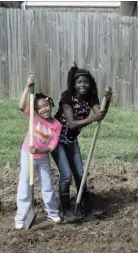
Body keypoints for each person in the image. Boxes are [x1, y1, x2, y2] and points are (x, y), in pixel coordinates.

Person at [51, 64, 112, 222]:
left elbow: (100, 114)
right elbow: (71, 123)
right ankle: (66, 210)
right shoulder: (67, 97)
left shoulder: (91, 97)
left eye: (86, 82)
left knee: (80, 174)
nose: (83, 85)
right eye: (79, 82)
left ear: (90, 84)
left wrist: (108, 100)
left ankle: (85, 209)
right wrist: (92, 119)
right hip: (57, 140)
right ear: (74, 84)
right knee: (66, 175)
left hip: (71, 139)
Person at [15, 75, 62, 229]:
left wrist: (39, 149)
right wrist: (28, 87)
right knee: (25, 186)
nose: (43, 109)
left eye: (46, 106)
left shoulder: (56, 125)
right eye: (40, 107)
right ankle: (21, 217)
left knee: (47, 185)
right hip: (27, 155)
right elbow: (21, 106)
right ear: (36, 109)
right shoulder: (33, 117)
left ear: (50, 104)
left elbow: (52, 146)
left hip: (42, 157)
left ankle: (52, 212)